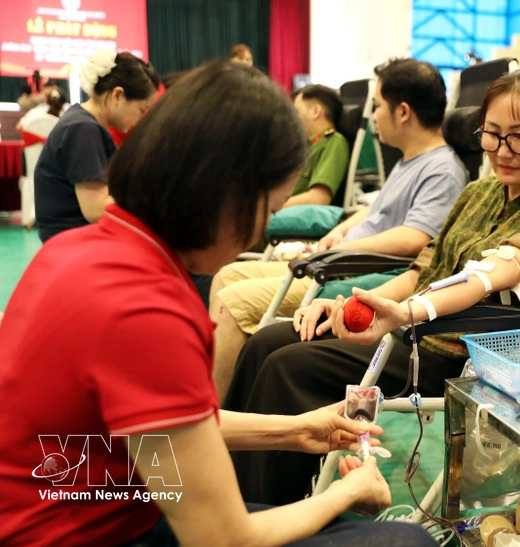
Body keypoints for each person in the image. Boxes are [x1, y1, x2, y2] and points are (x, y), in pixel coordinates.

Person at [0, 59, 436, 547]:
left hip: (92, 501)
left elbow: (149, 430)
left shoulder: (78, 249)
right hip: (96, 529)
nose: (258, 230)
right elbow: (222, 539)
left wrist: (295, 430)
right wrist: (343, 491)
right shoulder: (146, 309)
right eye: (267, 211)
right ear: (224, 193)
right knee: (405, 542)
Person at [223, 68, 520, 506]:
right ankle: (223, 488)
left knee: (288, 368)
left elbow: (486, 277)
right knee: (267, 341)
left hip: (459, 354)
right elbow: (423, 270)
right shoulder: (478, 193)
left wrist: (405, 314)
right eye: (491, 134)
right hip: (410, 329)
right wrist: (358, 304)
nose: (501, 150)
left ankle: (268, 514)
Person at [209, 58, 469, 400]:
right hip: (337, 261)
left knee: (234, 302)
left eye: (377, 106)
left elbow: (417, 238)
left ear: (403, 112)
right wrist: (341, 231)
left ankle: (213, 419)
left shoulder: (442, 170)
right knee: (227, 276)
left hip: (357, 273)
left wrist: (342, 250)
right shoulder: (409, 159)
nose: (373, 115)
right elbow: (374, 210)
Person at [33, 49, 158, 243]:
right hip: (75, 245)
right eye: (142, 110)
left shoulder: (81, 122)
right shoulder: (83, 129)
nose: (141, 119)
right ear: (117, 96)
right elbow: (96, 210)